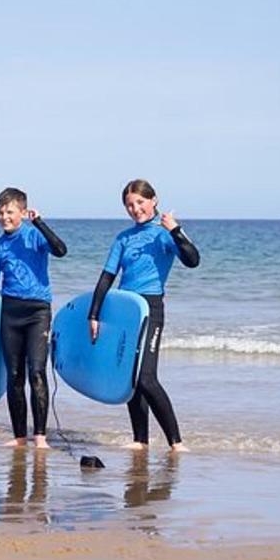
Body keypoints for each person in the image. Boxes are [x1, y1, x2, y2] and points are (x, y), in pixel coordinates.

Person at [89, 179, 200, 452]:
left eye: (140, 202)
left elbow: (193, 260)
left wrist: (176, 230)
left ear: (154, 200)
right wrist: (94, 314)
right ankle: (141, 440)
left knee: (146, 377)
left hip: (150, 306)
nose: (135, 208)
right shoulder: (123, 239)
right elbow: (106, 278)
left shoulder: (164, 234)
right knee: (130, 377)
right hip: (124, 308)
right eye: (129, 204)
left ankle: (176, 442)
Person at [0, 188, 67, 449]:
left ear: (22, 212)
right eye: (0, 212)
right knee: (14, 376)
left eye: (9, 212)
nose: (4, 217)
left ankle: (39, 436)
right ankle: (19, 437)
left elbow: (61, 250)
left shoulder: (34, 236)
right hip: (10, 312)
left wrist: (39, 222)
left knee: (36, 373)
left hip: (38, 312)